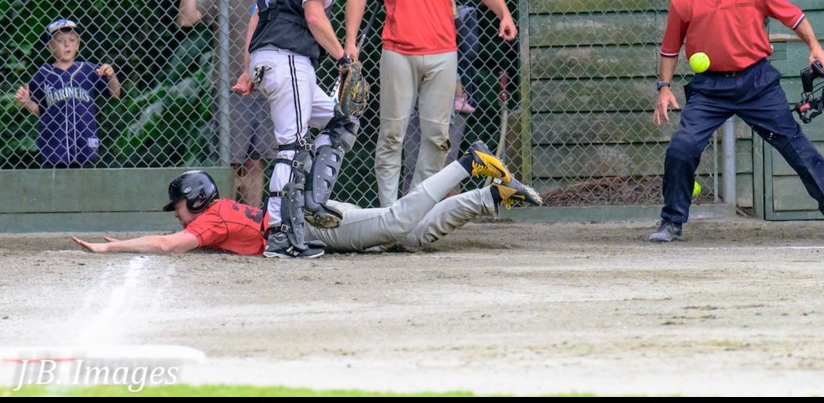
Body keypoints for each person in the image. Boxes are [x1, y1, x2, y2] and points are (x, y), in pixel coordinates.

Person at [650, 0, 824, 242]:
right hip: (710, 89)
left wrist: (814, 47)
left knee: (794, 146)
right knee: (682, 147)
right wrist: (663, 89)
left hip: (756, 83)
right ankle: (671, 222)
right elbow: (670, 48)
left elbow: (794, 17)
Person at [344, 0, 518, 209]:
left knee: (437, 138)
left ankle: (416, 208)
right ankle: (387, 210)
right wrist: (350, 42)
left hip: (442, 51)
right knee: (391, 134)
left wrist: (504, 13)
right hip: (398, 50)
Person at [71, 141, 542, 256]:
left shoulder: (208, 221)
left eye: (176, 206)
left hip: (314, 227)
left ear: (194, 201)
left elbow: (169, 246)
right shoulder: (213, 213)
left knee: (399, 222)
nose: (176, 216)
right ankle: (491, 197)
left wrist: (113, 247)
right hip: (311, 222)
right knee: (415, 237)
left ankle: (467, 163)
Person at [232, 0, 353, 259]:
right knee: (293, 146)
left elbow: (257, 19)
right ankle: (281, 235)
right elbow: (315, 17)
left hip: (270, 58)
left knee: (339, 120)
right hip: (288, 59)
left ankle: (313, 201)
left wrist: (247, 67)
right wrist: (343, 58)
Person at [179, 0, 276, 207]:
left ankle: (253, 218)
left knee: (257, 160)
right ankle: (230, 217)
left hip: (267, 85)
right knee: (234, 161)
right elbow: (187, 19)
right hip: (231, 87)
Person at [14, 19, 122, 168]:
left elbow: (115, 93)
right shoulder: (44, 74)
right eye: (59, 41)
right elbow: (39, 110)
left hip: (85, 141)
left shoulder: (88, 70)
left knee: (85, 185)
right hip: (54, 145)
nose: (67, 44)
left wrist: (111, 75)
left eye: (72, 40)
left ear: (78, 44)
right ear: (51, 46)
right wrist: (26, 101)